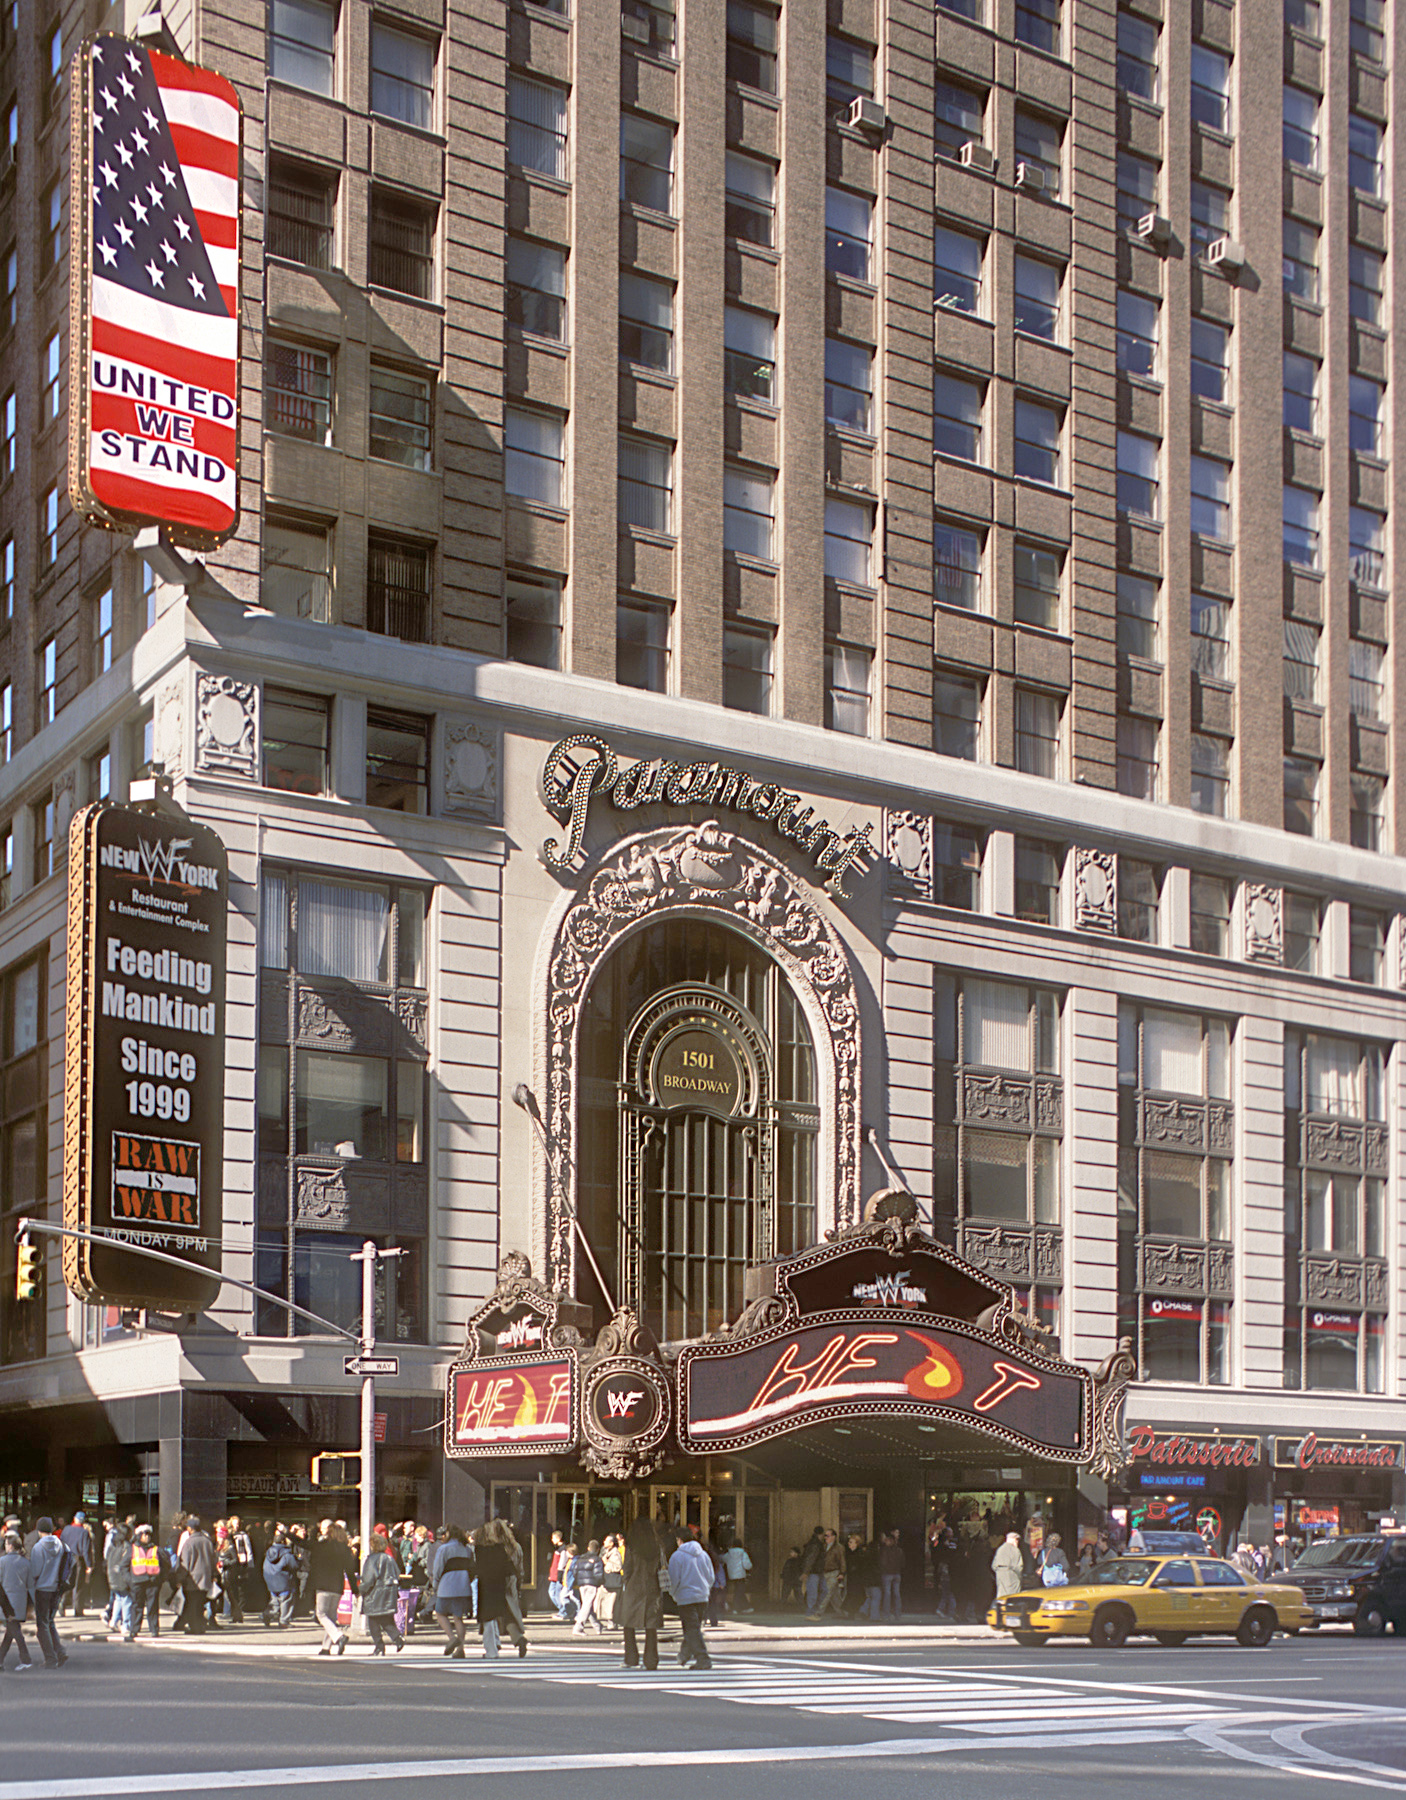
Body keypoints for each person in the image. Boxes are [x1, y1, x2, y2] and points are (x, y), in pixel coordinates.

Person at [474, 1520, 528, 1659]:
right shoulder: (513, 1546)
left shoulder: (484, 1548)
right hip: (508, 1578)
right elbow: (518, 1566)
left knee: (490, 1615)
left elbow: (479, 1568)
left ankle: (494, 1646)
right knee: (507, 1611)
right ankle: (517, 1638)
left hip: (490, 1582)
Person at [620, 1516, 665, 1671]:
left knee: (628, 1625)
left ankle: (631, 1658)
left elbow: (627, 1571)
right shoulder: (657, 1547)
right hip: (652, 1588)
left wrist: (627, 1583)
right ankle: (651, 1660)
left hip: (634, 1588)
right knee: (651, 1627)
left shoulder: (632, 1548)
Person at [309, 1521, 359, 1657]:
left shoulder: (322, 1546)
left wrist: (286, 1532)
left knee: (321, 1614)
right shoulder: (345, 1549)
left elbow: (304, 1544)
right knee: (330, 1617)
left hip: (323, 1585)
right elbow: (349, 1571)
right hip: (337, 1587)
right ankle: (326, 1648)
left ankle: (339, 1636)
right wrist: (355, 1590)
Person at [667, 1529, 715, 1671]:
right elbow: (711, 1576)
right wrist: (706, 1589)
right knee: (693, 1629)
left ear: (679, 1540)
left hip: (685, 1597)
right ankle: (684, 1654)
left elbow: (674, 1579)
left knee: (691, 1629)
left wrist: (673, 1593)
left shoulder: (677, 1556)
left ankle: (702, 1658)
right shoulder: (703, 1555)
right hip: (702, 1597)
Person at [29, 1517, 69, 1669]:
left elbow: (35, 1571)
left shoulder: (38, 1548)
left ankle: (51, 1659)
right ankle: (60, 1651)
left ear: (39, 1530)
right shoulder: (61, 1545)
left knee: (42, 1626)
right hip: (56, 1589)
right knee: (50, 1621)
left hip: (42, 1590)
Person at [432, 1526, 475, 1658]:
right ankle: (460, 1648)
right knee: (458, 1618)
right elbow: (472, 1568)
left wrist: (435, 1584)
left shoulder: (443, 1548)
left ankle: (451, 1638)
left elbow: (438, 1568)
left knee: (440, 1613)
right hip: (463, 1586)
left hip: (447, 1585)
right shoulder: (467, 1549)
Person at [360, 1530, 404, 1655]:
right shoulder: (389, 1558)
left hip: (375, 1594)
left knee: (373, 1620)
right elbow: (397, 1575)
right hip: (389, 1593)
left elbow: (368, 1579)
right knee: (386, 1619)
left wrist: (361, 1590)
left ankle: (379, 1646)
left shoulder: (372, 1560)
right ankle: (397, 1638)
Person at [126, 1524, 169, 1640]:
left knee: (153, 1607)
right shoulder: (132, 1549)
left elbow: (166, 1566)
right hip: (137, 1582)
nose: (147, 1537)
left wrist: (160, 1580)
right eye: (144, 1535)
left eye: (148, 1535)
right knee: (136, 1606)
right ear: (139, 1536)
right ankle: (134, 1630)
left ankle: (154, 1630)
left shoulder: (157, 1549)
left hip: (153, 1583)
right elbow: (123, 1567)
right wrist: (130, 1581)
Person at [176, 1518, 217, 1634]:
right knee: (200, 1604)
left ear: (190, 1528)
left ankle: (195, 1627)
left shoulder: (189, 1543)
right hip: (205, 1579)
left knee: (192, 1604)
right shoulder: (207, 1541)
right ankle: (200, 1626)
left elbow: (185, 1563)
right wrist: (214, 1575)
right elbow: (214, 1560)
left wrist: (180, 1579)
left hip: (192, 1580)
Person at [0, 1531, 34, 1669]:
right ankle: (0, 1659)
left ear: (11, 1546)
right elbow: (30, 1585)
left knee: (15, 1632)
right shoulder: (26, 1562)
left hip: (6, 1602)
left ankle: (26, 1659)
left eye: (7, 1544)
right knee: (11, 1631)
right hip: (20, 1602)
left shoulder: (2, 1561)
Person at [58, 1512, 94, 1619]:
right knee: (78, 1585)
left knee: (68, 1582)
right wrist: (89, 1565)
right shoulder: (84, 1532)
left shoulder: (66, 1529)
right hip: (78, 1559)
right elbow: (86, 1549)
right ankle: (78, 1609)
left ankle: (62, 1602)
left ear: (74, 1519)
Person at [262, 1529, 297, 1627]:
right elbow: (294, 1566)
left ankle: (267, 1615)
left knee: (274, 1601)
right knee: (287, 1600)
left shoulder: (268, 1552)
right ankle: (284, 1621)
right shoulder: (286, 1553)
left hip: (270, 1580)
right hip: (284, 1580)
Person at [808, 1528, 845, 1619]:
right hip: (824, 1573)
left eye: (828, 1535)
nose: (825, 1537)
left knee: (826, 1593)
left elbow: (842, 1561)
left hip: (834, 1572)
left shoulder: (839, 1547)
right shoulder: (823, 1546)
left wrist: (842, 1573)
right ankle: (843, 1612)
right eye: (825, 1535)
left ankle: (817, 1614)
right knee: (834, 1595)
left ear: (834, 1537)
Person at [104, 1521, 133, 1640]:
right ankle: (125, 1625)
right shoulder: (127, 1547)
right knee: (126, 1600)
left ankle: (113, 1620)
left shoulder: (113, 1545)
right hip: (122, 1577)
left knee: (118, 1599)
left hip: (112, 1576)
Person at [571, 1539, 605, 1635]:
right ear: (598, 1549)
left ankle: (597, 1625)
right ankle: (578, 1627)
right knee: (587, 1605)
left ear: (588, 1548)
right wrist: (600, 1582)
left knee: (587, 1605)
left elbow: (575, 1571)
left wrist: (578, 1580)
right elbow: (598, 1574)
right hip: (592, 1584)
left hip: (582, 1584)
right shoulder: (597, 1559)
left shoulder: (581, 1558)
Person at [800, 1526, 826, 1616]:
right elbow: (810, 1559)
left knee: (818, 1591)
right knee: (815, 1592)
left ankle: (813, 1610)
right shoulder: (816, 1545)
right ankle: (811, 1612)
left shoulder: (815, 1543)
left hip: (816, 1571)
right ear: (821, 1534)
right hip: (814, 1571)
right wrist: (806, 1572)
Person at [599, 1534, 624, 1629]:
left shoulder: (615, 1553)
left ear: (612, 1543)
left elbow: (618, 1566)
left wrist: (606, 1563)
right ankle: (611, 1622)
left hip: (613, 1581)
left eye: (606, 1541)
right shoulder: (606, 1552)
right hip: (608, 1581)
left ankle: (612, 1623)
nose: (604, 1542)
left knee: (612, 1603)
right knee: (608, 1602)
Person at [723, 1538, 753, 1614]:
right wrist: (750, 1567)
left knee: (738, 1591)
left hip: (731, 1575)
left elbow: (722, 1559)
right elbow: (747, 1565)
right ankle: (736, 1608)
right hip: (740, 1575)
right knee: (739, 1591)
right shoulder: (743, 1553)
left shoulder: (728, 1554)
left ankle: (745, 1607)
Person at [991, 1531, 1024, 1601]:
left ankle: (1000, 1609)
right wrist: (1020, 1578)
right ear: (1013, 1540)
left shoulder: (1000, 1549)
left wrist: (999, 1572)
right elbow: (1018, 1567)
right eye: (1017, 1540)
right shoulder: (1015, 1550)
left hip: (1000, 1574)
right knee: (1012, 1595)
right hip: (1011, 1574)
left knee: (1001, 1594)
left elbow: (993, 1565)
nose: (1017, 1542)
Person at [878, 1530, 904, 1621]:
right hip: (897, 1573)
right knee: (897, 1594)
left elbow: (883, 1562)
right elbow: (902, 1563)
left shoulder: (885, 1550)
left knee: (887, 1594)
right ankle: (898, 1614)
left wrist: (882, 1570)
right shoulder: (899, 1550)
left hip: (887, 1574)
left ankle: (886, 1614)